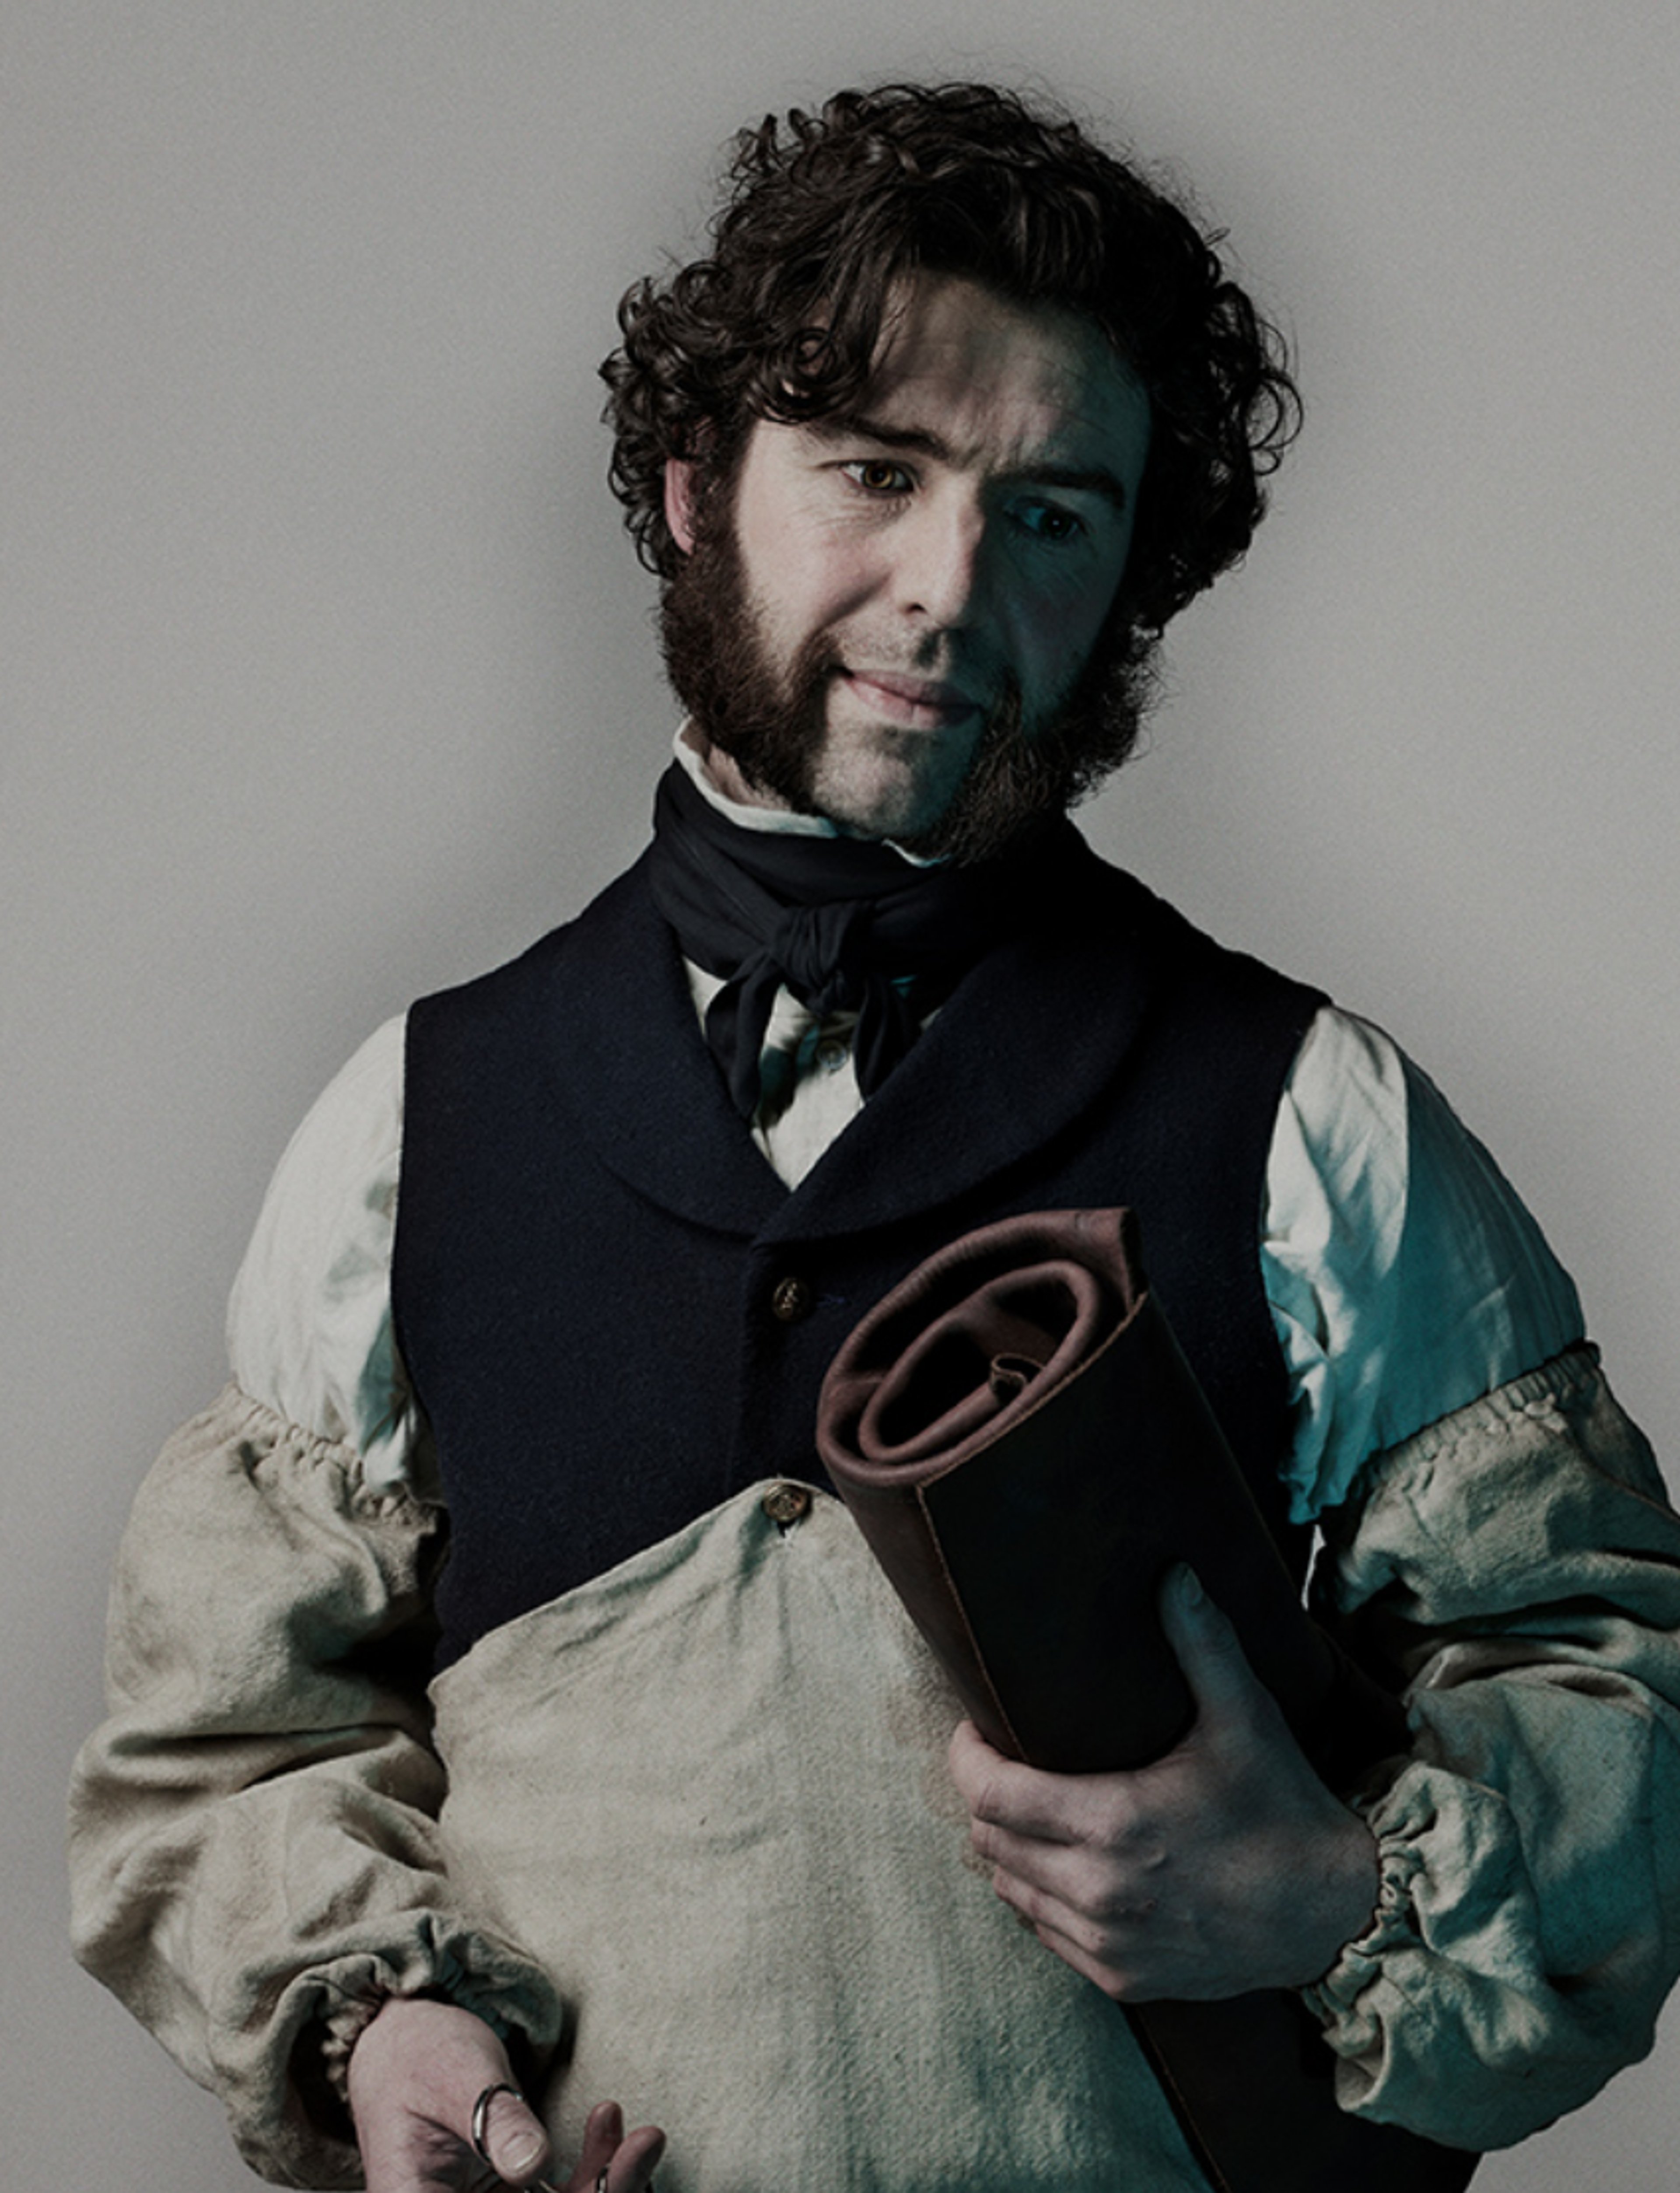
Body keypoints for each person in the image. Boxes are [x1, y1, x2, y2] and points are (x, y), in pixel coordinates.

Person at [69, 81, 1680, 2193]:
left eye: (1051, 515)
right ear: (687, 490)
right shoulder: (409, 1122)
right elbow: (225, 1746)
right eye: (874, 472)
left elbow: (1607, 1679)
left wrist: (1325, 1895)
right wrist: (389, 2020)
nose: (945, 589)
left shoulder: (1316, 1119)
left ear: (1128, 587)